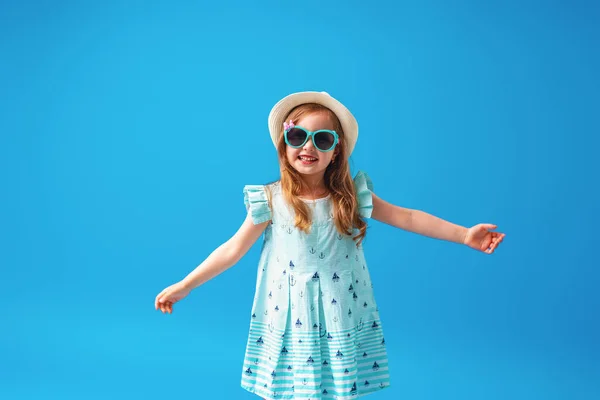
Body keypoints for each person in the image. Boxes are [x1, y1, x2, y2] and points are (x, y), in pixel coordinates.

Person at [154, 91, 506, 399]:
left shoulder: (351, 196)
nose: (308, 147)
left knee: (335, 389)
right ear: (284, 142)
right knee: (286, 389)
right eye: (298, 136)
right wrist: (185, 285)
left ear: (335, 151)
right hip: (289, 313)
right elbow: (232, 250)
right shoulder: (270, 199)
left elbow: (408, 217)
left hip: (338, 311)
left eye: (321, 140)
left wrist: (463, 234)